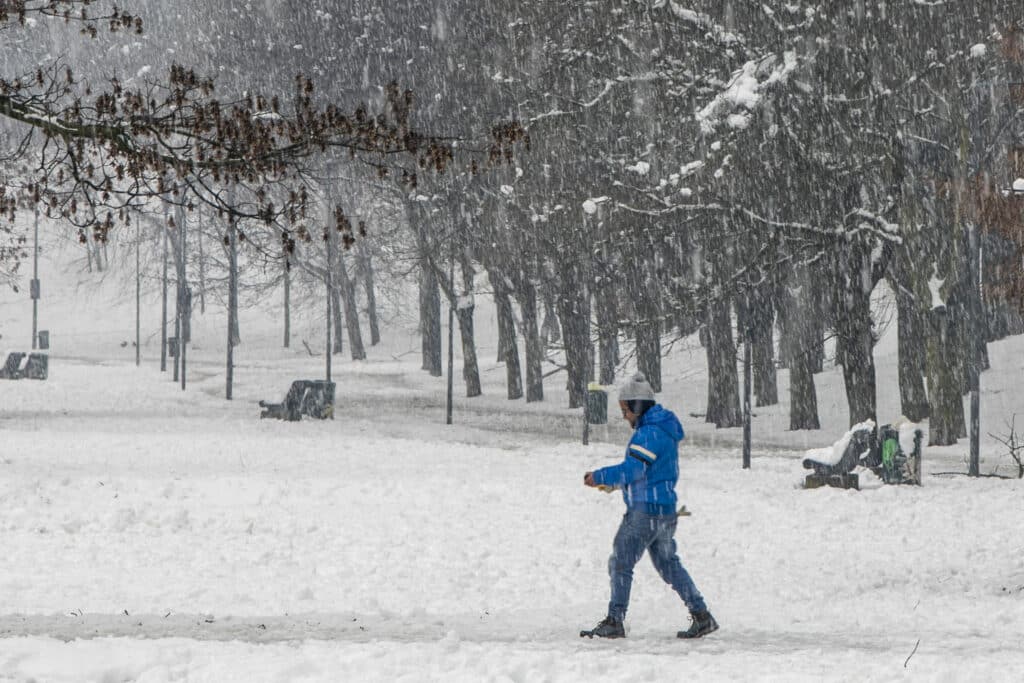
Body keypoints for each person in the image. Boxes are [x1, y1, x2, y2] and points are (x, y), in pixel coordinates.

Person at [580, 372, 717, 640]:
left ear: (636, 405)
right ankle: (702, 616)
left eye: (625, 410)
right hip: (665, 509)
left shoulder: (649, 433)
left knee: (621, 561)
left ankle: (614, 620)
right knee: (668, 564)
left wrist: (600, 476)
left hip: (646, 511)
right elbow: (649, 472)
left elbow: (633, 468)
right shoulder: (662, 429)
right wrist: (620, 485)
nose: (624, 416)